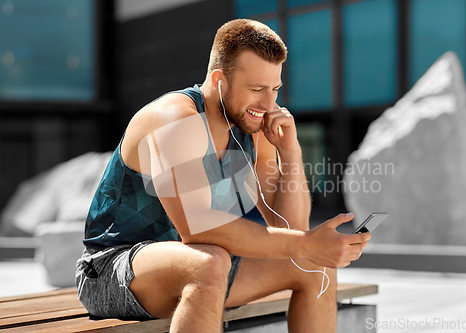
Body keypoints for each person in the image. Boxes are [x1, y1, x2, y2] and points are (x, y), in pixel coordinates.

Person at [76, 18, 370, 332]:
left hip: (209, 267)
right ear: (219, 80)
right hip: (113, 271)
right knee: (209, 261)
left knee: (314, 268)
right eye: (257, 89)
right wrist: (303, 244)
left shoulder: (252, 128)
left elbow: (289, 228)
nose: (269, 104)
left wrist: (291, 153)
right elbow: (198, 227)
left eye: (275, 89)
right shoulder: (175, 119)